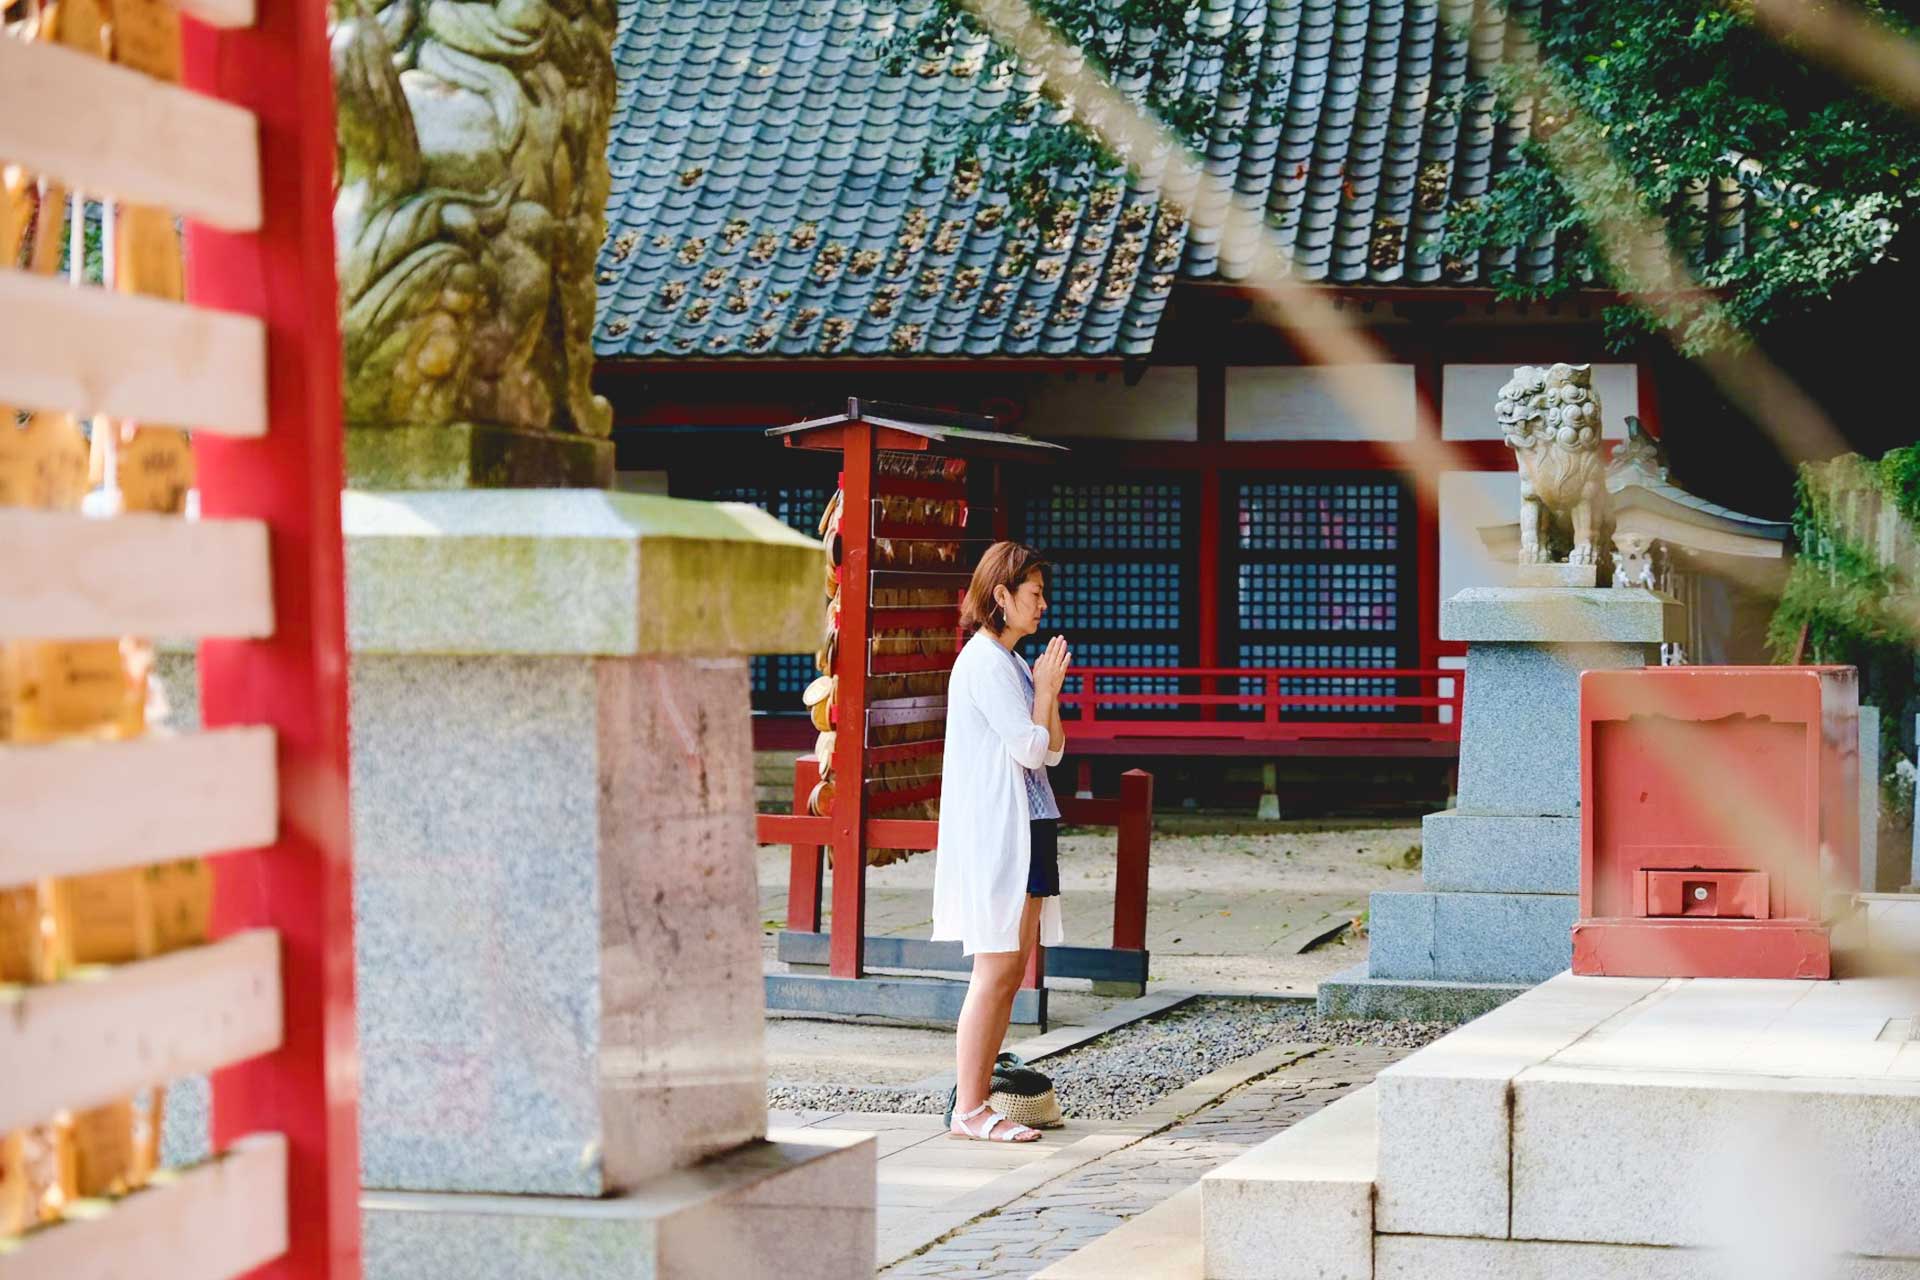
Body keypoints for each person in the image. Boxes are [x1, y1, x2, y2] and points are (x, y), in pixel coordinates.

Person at [932, 541, 1070, 1142]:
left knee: (1012, 970)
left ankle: (981, 1097)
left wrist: (1046, 693)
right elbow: (1029, 746)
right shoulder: (985, 662)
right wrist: (1044, 694)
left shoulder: (1011, 661)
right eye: (1034, 594)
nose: (1043, 605)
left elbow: (1055, 750)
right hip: (1000, 831)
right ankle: (970, 1108)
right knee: (993, 970)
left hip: (1031, 822)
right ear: (1002, 597)